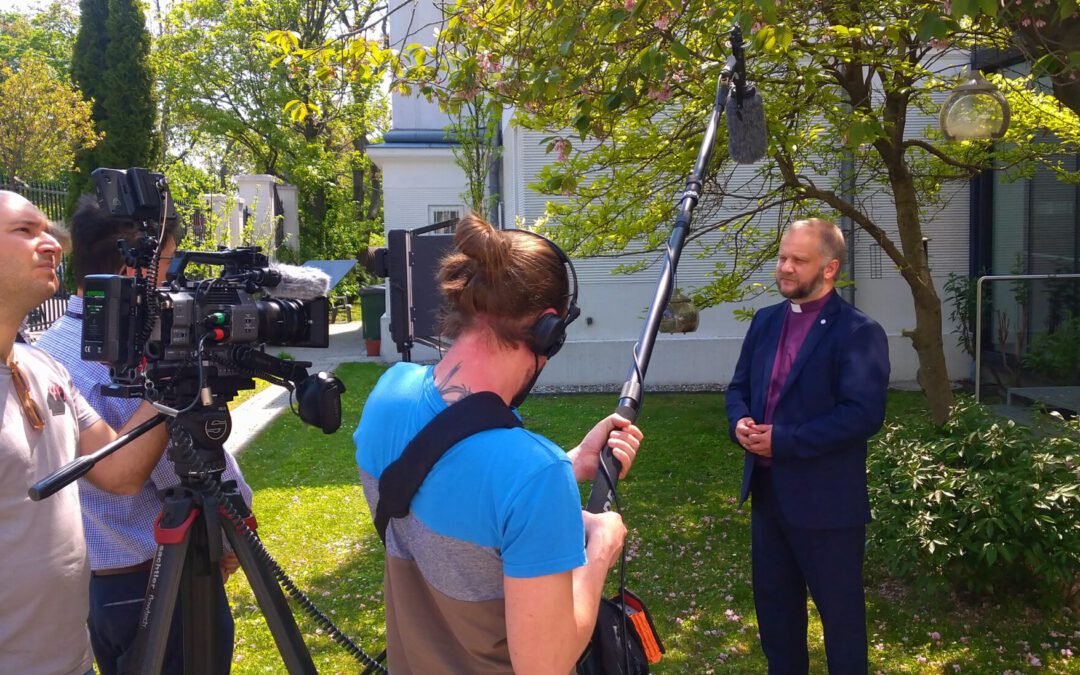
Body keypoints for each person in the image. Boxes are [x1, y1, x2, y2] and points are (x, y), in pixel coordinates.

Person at [353, 214, 644, 674]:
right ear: (549, 330)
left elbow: (453, 488)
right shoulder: (533, 476)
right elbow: (545, 665)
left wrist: (569, 464)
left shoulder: (388, 392)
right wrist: (601, 550)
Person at [35, 195, 252, 674]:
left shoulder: (44, 351)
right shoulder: (132, 355)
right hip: (160, 581)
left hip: (96, 587)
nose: (172, 281)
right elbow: (184, 464)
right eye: (168, 264)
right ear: (134, 268)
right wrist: (234, 533)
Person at [0, 191, 166, 675]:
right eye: (25, 231)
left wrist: (174, 381)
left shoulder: (43, 366)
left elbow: (119, 472)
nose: (52, 243)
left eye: (48, 231)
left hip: (69, 657)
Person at [725, 218, 890, 674]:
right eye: (782, 257)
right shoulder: (765, 322)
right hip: (768, 499)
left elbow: (862, 415)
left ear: (829, 268)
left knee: (842, 624)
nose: (785, 267)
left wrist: (784, 440)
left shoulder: (858, 332)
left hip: (828, 505)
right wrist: (740, 422)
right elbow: (738, 388)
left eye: (798, 260)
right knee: (777, 621)